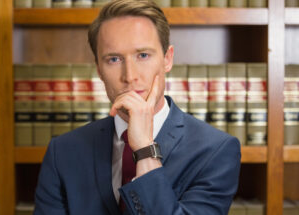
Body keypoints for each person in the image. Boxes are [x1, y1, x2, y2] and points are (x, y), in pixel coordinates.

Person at [34, 0, 241, 214]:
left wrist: (145, 150)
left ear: (167, 59)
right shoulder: (63, 152)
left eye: (143, 55)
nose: (130, 76)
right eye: (114, 59)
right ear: (99, 69)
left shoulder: (216, 151)